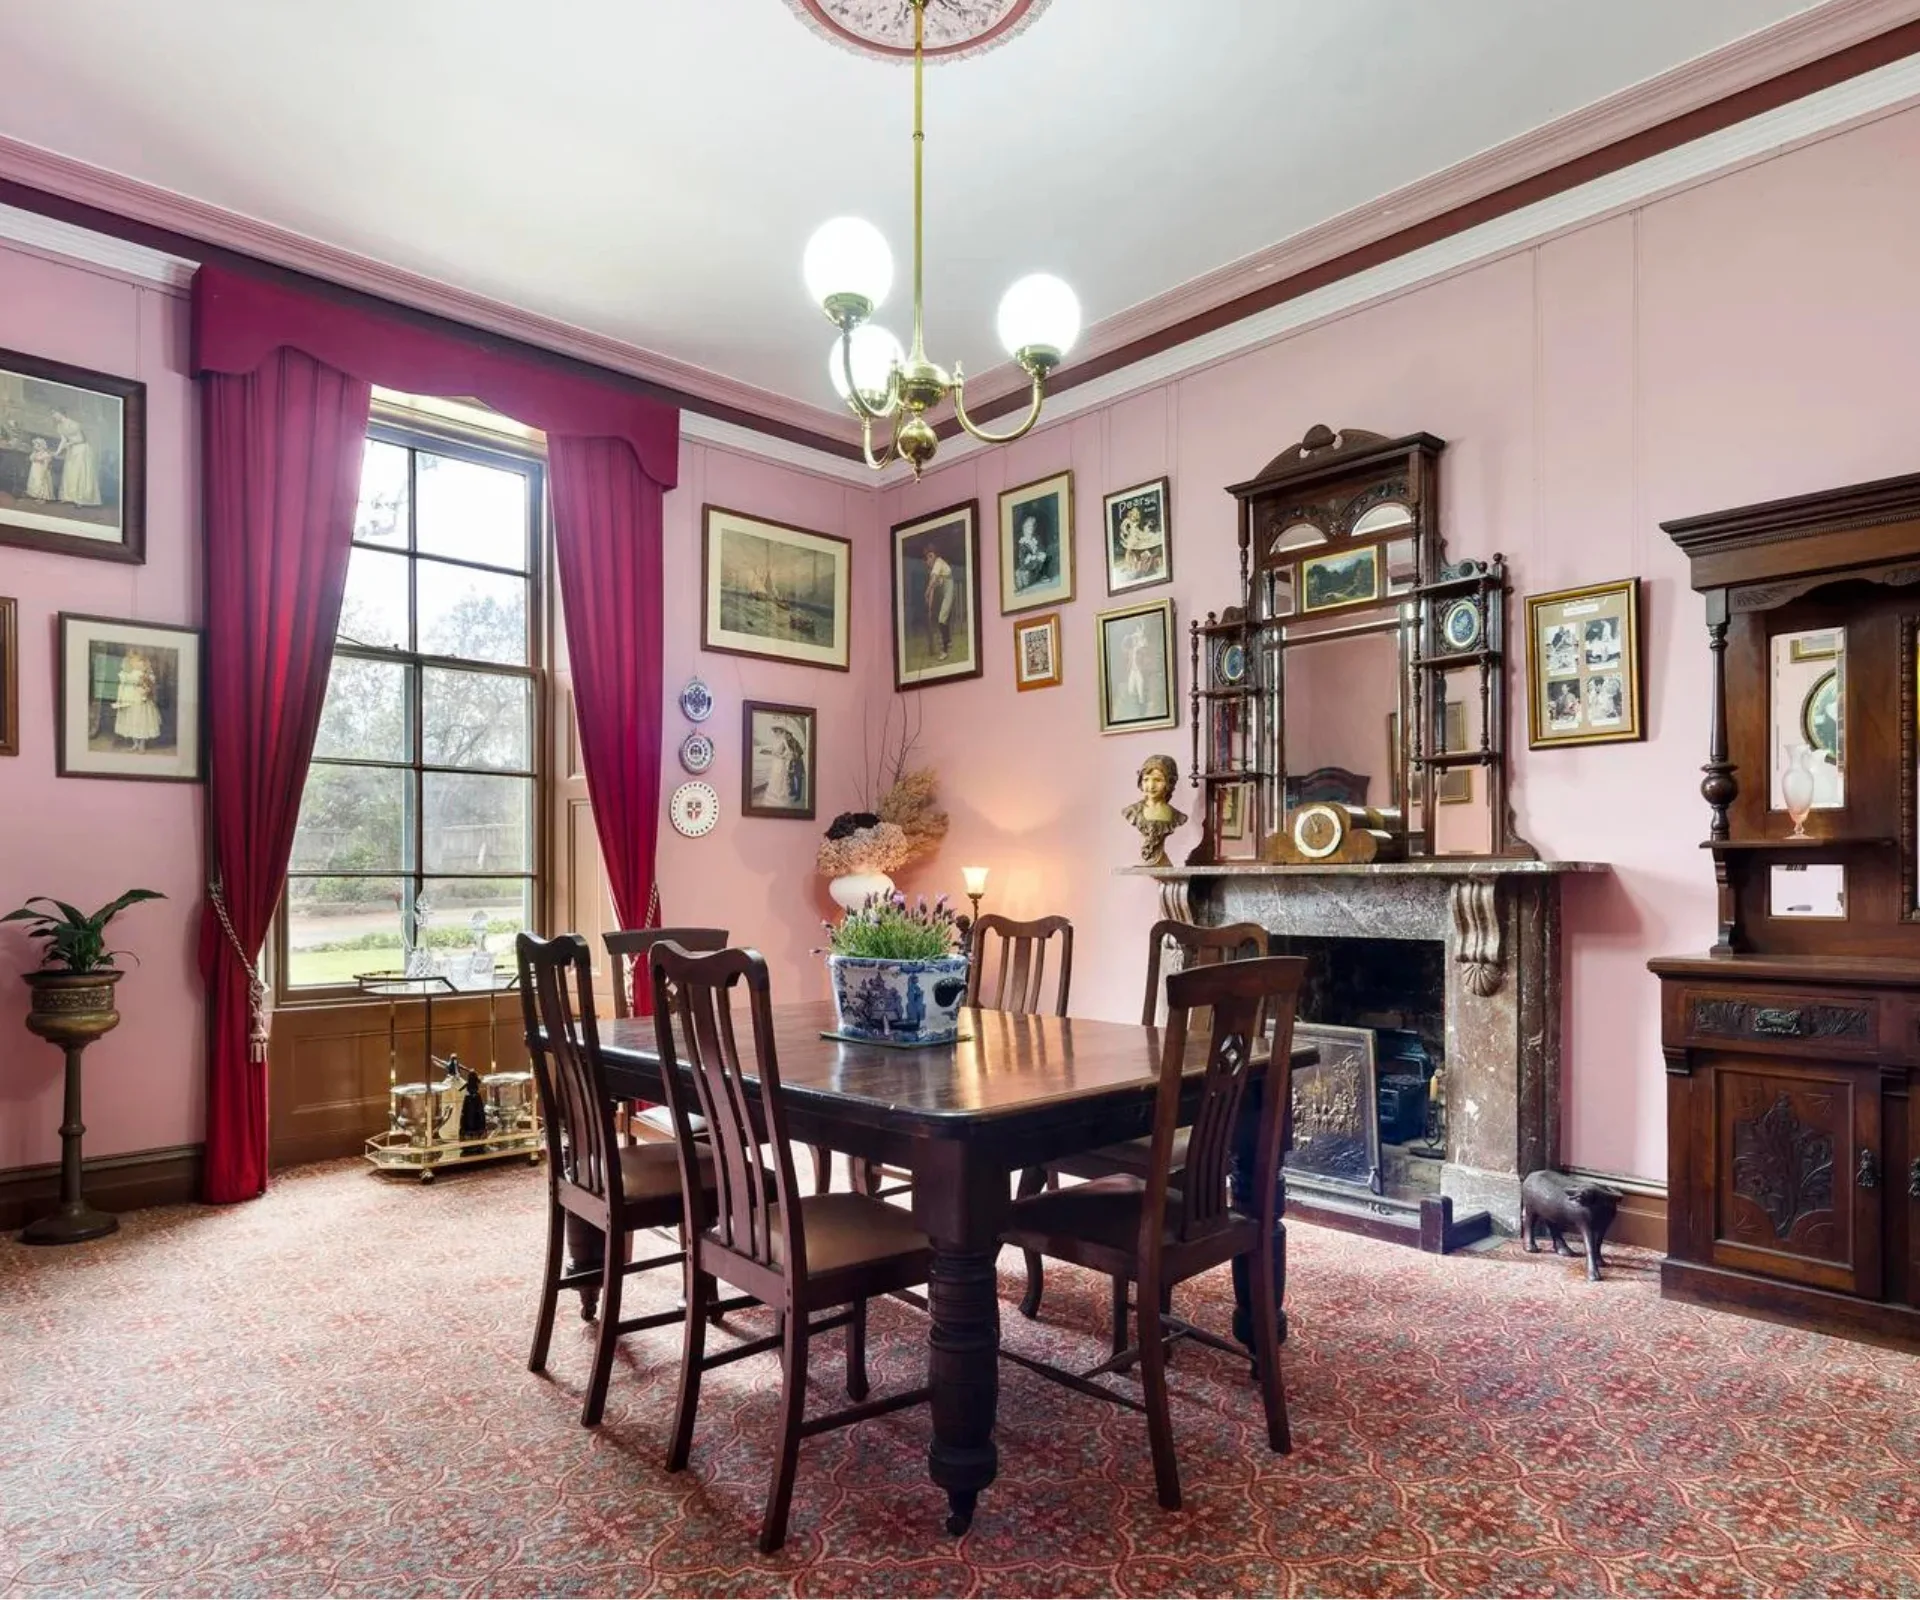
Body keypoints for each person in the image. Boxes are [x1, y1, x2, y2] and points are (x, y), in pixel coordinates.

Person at [1121, 753, 1189, 867]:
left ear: (1169, 783)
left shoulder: (1177, 817)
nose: (1151, 785)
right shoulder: (1132, 812)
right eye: (1146, 779)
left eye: (1158, 780)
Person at [112, 649, 161, 752]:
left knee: (142, 720)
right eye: (135, 661)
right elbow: (122, 685)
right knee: (131, 719)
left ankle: (142, 743)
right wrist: (120, 698)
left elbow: (150, 682)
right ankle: (135, 743)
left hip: (142, 699)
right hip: (130, 698)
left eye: (141, 661)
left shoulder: (146, 673)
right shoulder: (127, 673)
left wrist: (147, 687)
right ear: (131, 662)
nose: (139, 663)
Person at [53, 410, 101, 508]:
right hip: (72, 450)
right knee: (71, 472)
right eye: (53, 414)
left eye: (54, 413)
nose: (53, 416)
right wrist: (57, 452)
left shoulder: (74, 424)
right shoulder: (59, 426)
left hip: (81, 449)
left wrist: (69, 444)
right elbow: (63, 440)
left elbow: (81, 439)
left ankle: (80, 498)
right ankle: (69, 497)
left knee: (80, 472)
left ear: (61, 413)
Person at [921, 543, 954, 662]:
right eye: (927, 557)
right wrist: (929, 608)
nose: (929, 560)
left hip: (949, 590)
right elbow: (932, 591)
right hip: (944, 592)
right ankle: (948, 641)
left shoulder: (938, 563)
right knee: (941, 618)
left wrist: (926, 591)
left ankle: (944, 651)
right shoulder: (934, 570)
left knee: (942, 619)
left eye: (931, 556)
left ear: (934, 556)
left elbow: (932, 583)